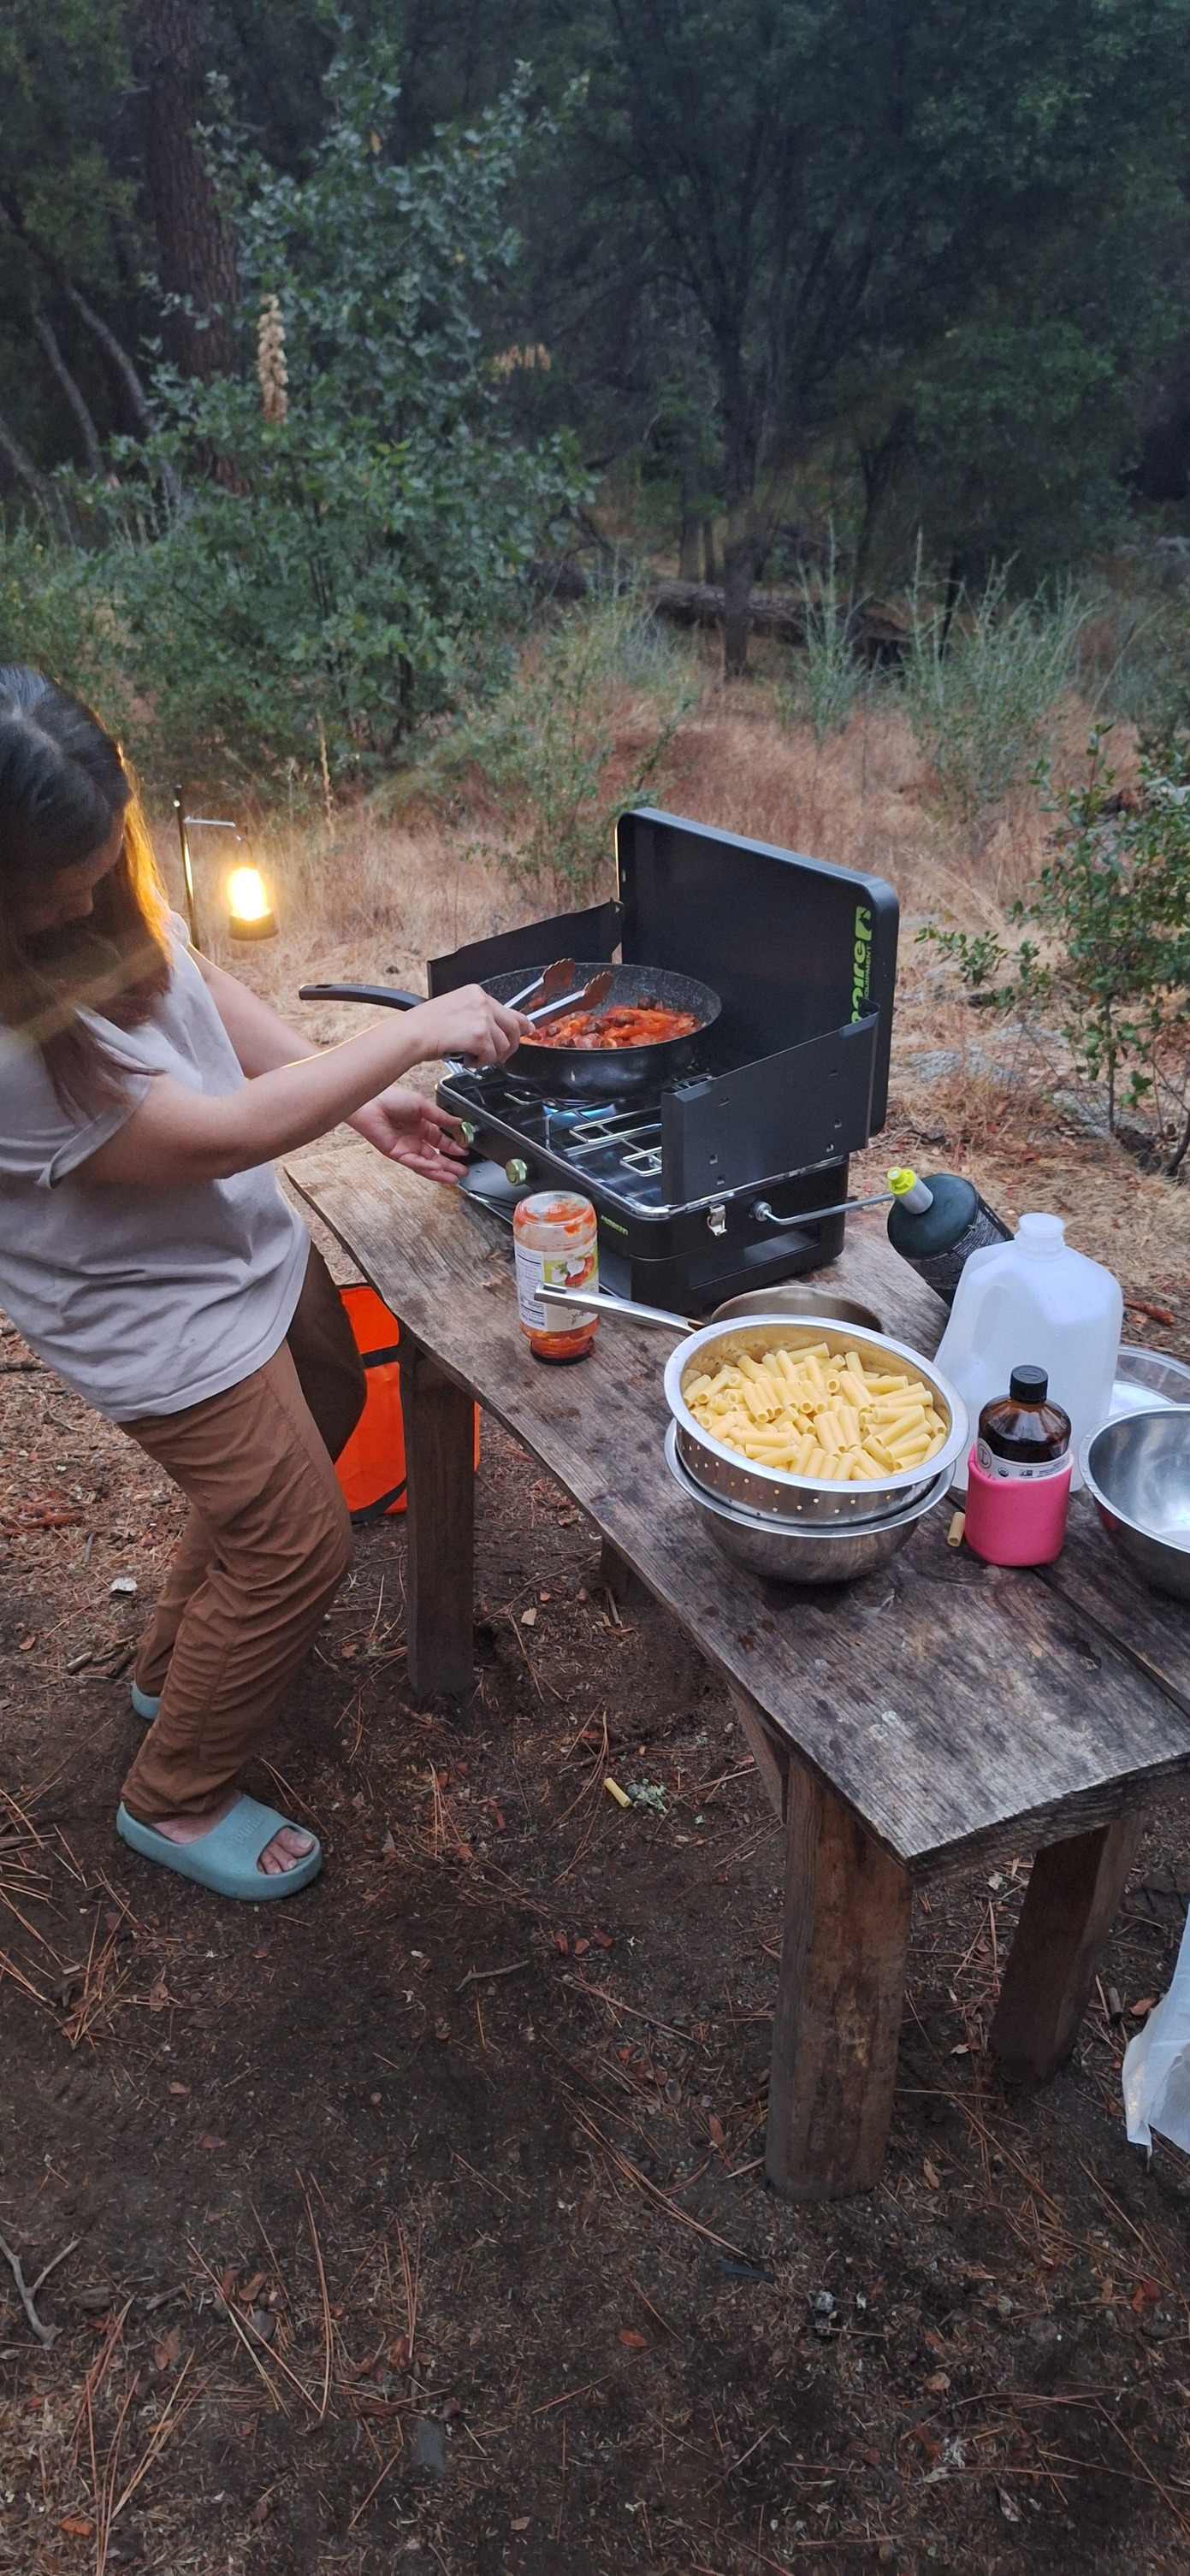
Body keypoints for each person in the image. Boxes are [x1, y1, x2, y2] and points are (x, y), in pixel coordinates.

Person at [0, 669, 530, 1901]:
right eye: (57, 874)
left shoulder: (89, 886)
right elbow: (214, 1136)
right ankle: (173, 1796)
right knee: (295, 1544)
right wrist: (403, 1038)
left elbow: (190, 979)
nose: (93, 883)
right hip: (151, 1316)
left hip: (232, 1247)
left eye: (103, 843)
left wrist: (359, 1103)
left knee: (332, 1408)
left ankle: (171, 1663)